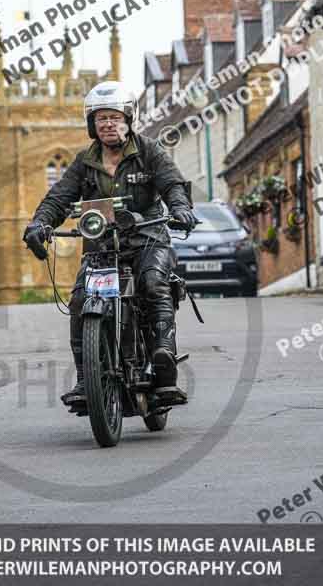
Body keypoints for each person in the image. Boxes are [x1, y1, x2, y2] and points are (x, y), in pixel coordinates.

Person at [22, 81, 197, 405]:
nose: (108, 124)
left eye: (114, 117)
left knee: (153, 284)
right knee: (79, 300)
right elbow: (58, 199)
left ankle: (164, 366)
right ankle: (86, 380)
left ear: (128, 119)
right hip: (102, 244)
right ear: (92, 124)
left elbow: (172, 184)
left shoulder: (148, 151)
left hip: (147, 239)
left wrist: (181, 208)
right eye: (101, 118)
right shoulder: (84, 162)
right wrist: (40, 223)